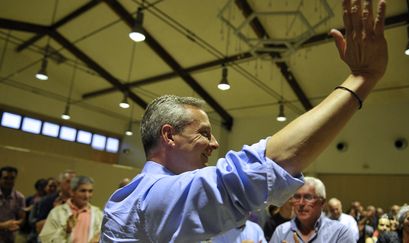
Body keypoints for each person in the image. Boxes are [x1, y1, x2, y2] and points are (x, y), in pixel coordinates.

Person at [101, 0, 389, 241]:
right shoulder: (151, 196)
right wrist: (362, 78)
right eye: (204, 133)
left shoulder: (142, 197)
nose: (214, 143)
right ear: (169, 136)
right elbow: (268, 165)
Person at [269, 177, 355, 243]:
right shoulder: (281, 232)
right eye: (297, 197)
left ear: (322, 202)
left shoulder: (339, 233)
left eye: (308, 197)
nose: (301, 203)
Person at [39, 176, 103, 243]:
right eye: (83, 191)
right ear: (72, 192)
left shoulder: (98, 214)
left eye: (90, 191)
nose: (87, 195)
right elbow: (46, 240)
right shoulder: (56, 213)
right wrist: (65, 231)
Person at [30, 170, 76, 234]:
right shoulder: (47, 201)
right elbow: (38, 228)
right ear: (60, 183)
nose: (72, 185)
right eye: (68, 182)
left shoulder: (80, 202)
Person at [0, 166, 26, 243]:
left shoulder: (19, 197)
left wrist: (16, 224)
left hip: (10, 238)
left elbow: (22, 218)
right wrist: (3, 225)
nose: (9, 181)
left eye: (12, 178)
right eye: (5, 178)